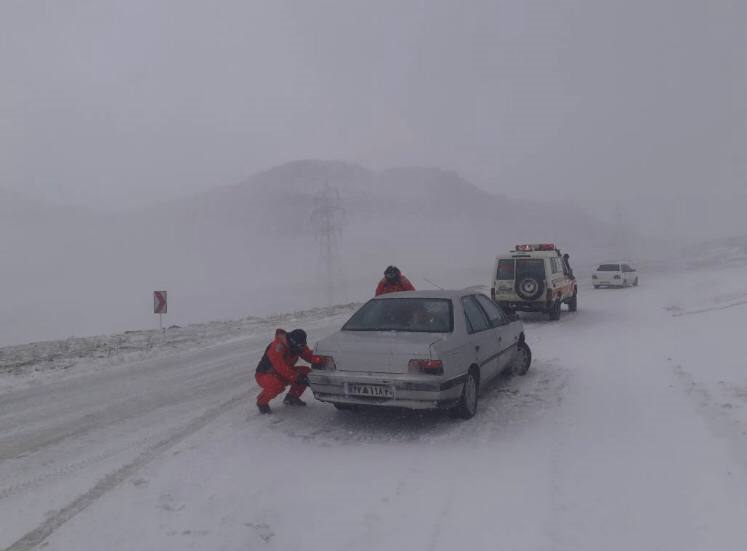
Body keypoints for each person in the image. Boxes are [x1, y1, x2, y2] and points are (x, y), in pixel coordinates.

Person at [255, 328, 314, 414]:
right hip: (265, 374)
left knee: (305, 372)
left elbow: (308, 356)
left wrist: (325, 360)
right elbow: (281, 368)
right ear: (292, 342)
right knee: (277, 385)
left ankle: (291, 398)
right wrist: (297, 377)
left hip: (282, 373)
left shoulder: (299, 345)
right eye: (299, 346)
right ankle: (261, 403)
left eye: (302, 346)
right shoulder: (277, 347)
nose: (301, 348)